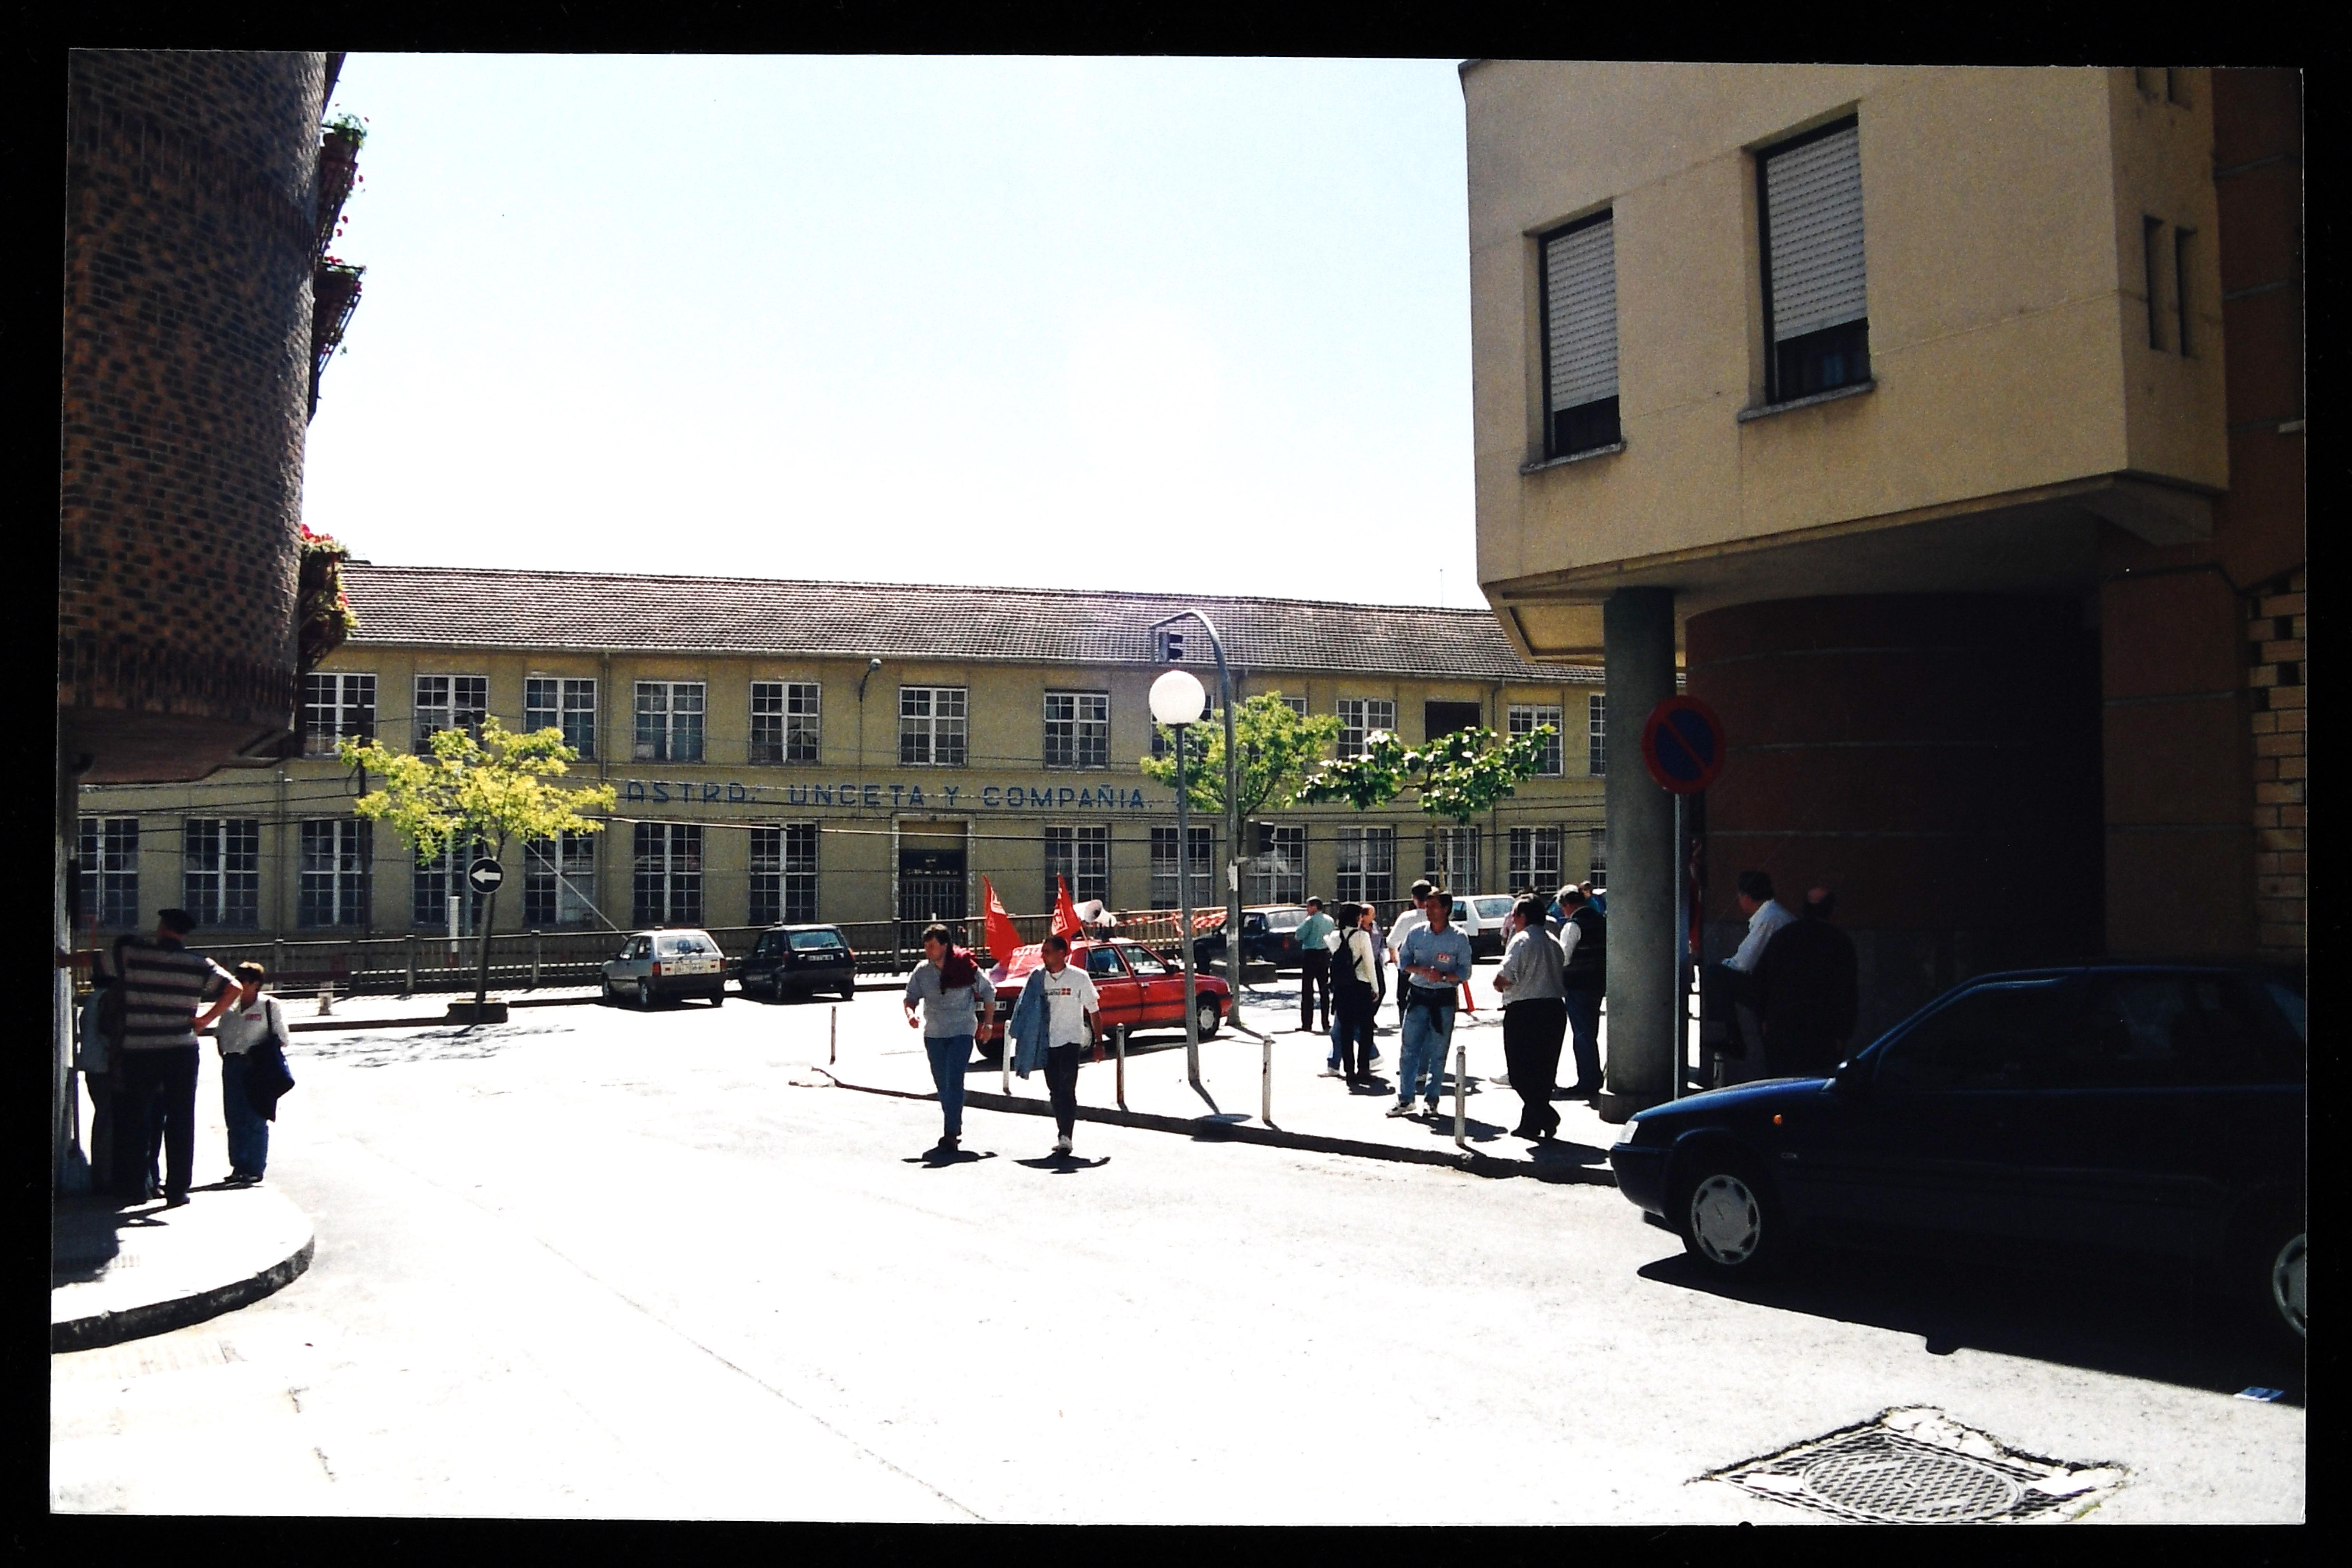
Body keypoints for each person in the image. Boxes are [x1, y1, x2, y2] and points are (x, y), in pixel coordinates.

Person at [111, 909, 238, 1206]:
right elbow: (233, 987)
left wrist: (62, 959)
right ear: (184, 934)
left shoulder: (133, 956)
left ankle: (137, 1188)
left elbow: (92, 961)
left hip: (139, 1049)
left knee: (137, 1117)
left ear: (163, 927)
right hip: (181, 1049)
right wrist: (205, 1019)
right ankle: (177, 1190)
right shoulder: (199, 964)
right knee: (181, 1118)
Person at [902, 923, 995, 1153]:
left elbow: (989, 991)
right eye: (926, 946)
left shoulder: (965, 966)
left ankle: (950, 1133)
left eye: (932, 946)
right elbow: (910, 997)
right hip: (934, 1034)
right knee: (942, 1083)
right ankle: (954, 1120)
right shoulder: (922, 971)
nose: (928, 950)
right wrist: (911, 1015)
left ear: (945, 946)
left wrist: (988, 1024)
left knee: (954, 1079)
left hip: (962, 1031)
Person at [1749, 887, 1860, 1080]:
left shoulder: (1783, 937)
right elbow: (1848, 993)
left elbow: (1760, 980)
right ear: (1832, 911)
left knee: (1781, 1087)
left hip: (1782, 1028)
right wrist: (1842, 1034)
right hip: (1821, 1033)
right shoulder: (1840, 943)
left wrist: (1764, 1021)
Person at [1006, 934, 1100, 1156]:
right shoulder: (1038, 978)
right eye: (1043, 951)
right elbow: (1025, 1007)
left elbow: (1094, 1011)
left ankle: (1066, 1136)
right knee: (1055, 1090)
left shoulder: (1079, 978)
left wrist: (1098, 1042)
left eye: (1047, 952)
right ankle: (1062, 1131)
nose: (1043, 956)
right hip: (1047, 1043)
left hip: (1070, 1042)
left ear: (1062, 954)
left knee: (1067, 1088)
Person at [1392, 887, 1473, 1119]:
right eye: (1427, 907)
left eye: (1434, 907)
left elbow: (1465, 972)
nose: (1428, 911)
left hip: (1443, 998)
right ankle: (1406, 1099)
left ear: (1446, 909)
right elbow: (1403, 961)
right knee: (1409, 1050)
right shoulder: (1416, 933)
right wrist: (1420, 970)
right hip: (1418, 995)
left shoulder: (1458, 937)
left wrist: (1445, 977)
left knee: (1438, 1053)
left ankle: (1432, 1101)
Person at [1491, 893, 1567, 1139]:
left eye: (1514, 915)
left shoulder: (1522, 940)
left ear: (1523, 917)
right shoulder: (1554, 942)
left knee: (1519, 1073)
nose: (1512, 920)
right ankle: (1531, 1124)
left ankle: (1546, 1115)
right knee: (1544, 1071)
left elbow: (1506, 976)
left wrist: (1498, 984)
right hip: (1554, 1009)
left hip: (1525, 1010)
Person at [213, 962, 290, 1185]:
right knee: (234, 1116)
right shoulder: (230, 1006)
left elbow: (282, 1038)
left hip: (256, 1066)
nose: (239, 984)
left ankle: (255, 1168)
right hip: (232, 1064)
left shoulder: (269, 1006)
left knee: (255, 1115)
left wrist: (257, 1056)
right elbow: (220, 1033)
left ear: (256, 984)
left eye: (244, 981)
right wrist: (225, 1053)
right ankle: (239, 1166)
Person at [1558, 884, 1607, 1097]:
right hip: (1598, 983)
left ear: (1568, 905)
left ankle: (1588, 1081)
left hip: (1577, 984)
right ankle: (1593, 1076)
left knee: (1582, 1034)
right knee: (1591, 1031)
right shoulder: (1601, 920)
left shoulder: (1573, 926)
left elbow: (1564, 958)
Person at [1326, 902, 1380, 1087]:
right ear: (1357, 917)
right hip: (1361, 986)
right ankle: (1363, 1069)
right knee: (1365, 1029)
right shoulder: (1362, 936)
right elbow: (1369, 963)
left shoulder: (1335, 937)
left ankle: (1349, 1071)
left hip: (1342, 988)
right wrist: (1375, 988)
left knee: (1346, 1031)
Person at [1385, 879, 1436, 1035]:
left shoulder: (1406, 918)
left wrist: (1396, 960)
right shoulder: (1438, 915)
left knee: (1405, 1001)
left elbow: (1392, 942)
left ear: (1414, 898)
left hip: (1409, 967)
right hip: (1434, 967)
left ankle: (1407, 1031)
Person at [1293, 897, 1336, 1034]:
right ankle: (1325, 1022)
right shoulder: (1330, 920)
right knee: (1324, 989)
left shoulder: (1310, 921)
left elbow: (1299, 936)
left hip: (1310, 954)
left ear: (1315, 907)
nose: (1307, 909)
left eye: (1308, 906)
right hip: (1325, 954)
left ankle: (1307, 1023)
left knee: (1308, 990)